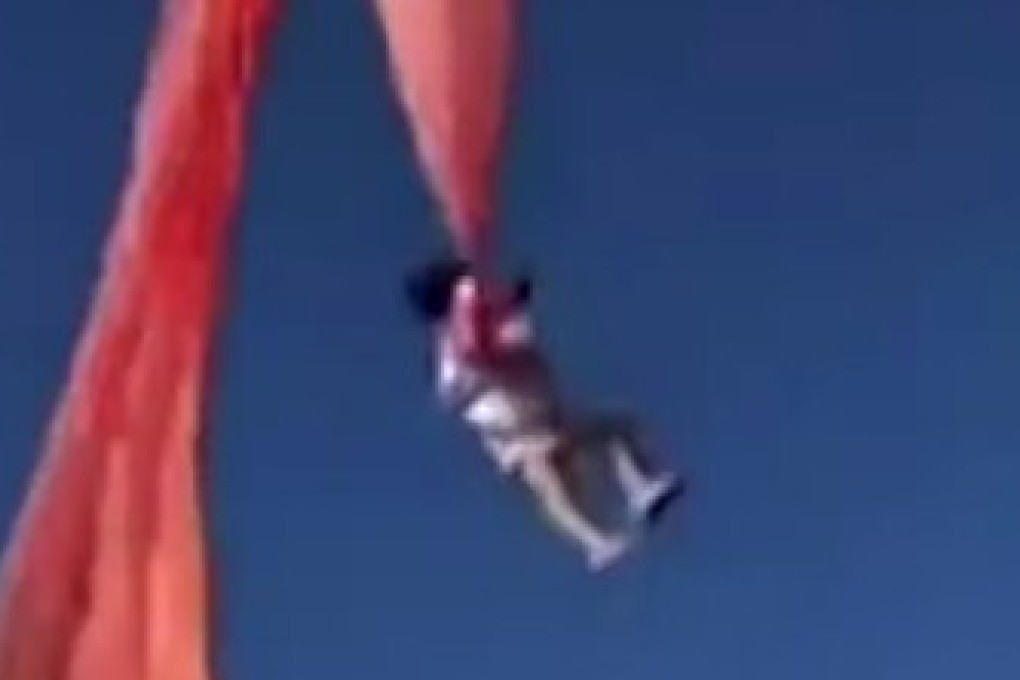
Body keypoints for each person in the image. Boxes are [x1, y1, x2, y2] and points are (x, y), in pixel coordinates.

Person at [404, 256, 682, 571]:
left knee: (619, 426)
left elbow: (504, 333)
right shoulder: (452, 345)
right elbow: (463, 375)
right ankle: (596, 542)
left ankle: (641, 487)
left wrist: (513, 303)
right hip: (514, 431)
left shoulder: (487, 317)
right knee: (549, 476)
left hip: (545, 415)